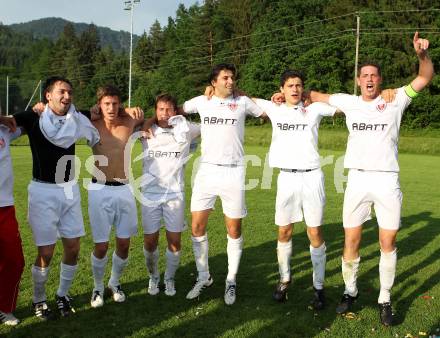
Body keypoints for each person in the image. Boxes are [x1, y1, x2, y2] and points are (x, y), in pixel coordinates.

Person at [309, 32, 434, 326]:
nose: (368, 79)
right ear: (357, 80)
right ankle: (350, 292)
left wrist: (421, 55)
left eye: (374, 76)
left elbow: (425, 76)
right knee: (351, 240)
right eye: (364, 75)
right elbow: (312, 95)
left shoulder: (396, 98)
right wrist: (283, 96)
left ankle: (385, 298)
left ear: (380, 80)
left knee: (387, 241)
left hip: (387, 181)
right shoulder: (348, 102)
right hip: (357, 181)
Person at [11, 76, 100, 320]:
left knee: (73, 247)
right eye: (62, 92)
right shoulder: (32, 117)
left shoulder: (76, 116)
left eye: (70, 92)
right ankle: (39, 300)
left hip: (69, 190)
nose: (67, 96)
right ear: (48, 96)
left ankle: (62, 294)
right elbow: (8, 122)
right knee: (46, 252)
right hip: (42, 191)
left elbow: (103, 110)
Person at [181, 63, 264, 305]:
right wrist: (144, 122)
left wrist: (256, 94)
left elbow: (266, 112)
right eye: (225, 78)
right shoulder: (201, 101)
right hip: (206, 171)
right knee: (196, 227)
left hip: (234, 173)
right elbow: (171, 110)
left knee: (234, 229)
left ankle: (231, 280)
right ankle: (204, 276)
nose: (230, 81)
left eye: (233, 78)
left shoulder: (242, 102)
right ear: (213, 82)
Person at [253, 70, 337, 309]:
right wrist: (210, 91)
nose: (295, 89)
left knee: (314, 234)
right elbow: (240, 96)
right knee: (284, 232)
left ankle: (319, 287)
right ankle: (284, 279)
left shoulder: (314, 109)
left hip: (312, 177)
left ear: (303, 88)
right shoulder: (274, 108)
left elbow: (343, 105)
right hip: (286, 178)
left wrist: (315, 95)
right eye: (290, 85)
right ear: (281, 89)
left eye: (299, 85)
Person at [88, 85, 144, 308]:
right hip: (99, 189)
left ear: (120, 104)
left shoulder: (130, 121)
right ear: (99, 105)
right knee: (101, 246)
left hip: (124, 188)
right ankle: (97, 287)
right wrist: (89, 110)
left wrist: (135, 111)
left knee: (123, 243)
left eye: (115, 103)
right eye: (106, 104)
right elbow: (68, 113)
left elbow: (151, 120)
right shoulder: (90, 123)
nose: (111, 108)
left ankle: (114, 282)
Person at [140, 93, 200, 297]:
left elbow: (210, 123)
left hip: (175, 194)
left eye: (169, 109)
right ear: (155, 111)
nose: (165, 114)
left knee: (174, 241)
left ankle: (169, 279)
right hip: (150, 195)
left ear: (176, 110)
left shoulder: (186, 130)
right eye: (160, 109)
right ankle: (153, 277)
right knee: (150, 241)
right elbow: (121, 118)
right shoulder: (146, 130)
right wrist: (146, 122)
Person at [0, 116, 25, 326]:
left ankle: (5, 308)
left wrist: (39, 109)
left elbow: (32, 122)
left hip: (5, 208)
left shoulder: (6, 130)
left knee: (15, 261)